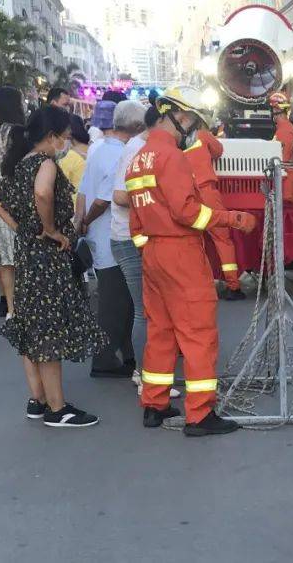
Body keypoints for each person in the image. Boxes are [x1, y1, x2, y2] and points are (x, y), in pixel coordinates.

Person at [127, 87, 256, 436]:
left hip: (153, 253)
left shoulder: (140, 157)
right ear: (180, 117)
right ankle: (199, 415)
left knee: (162, 331)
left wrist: (152, 250)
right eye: (195, 122)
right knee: (198, 333)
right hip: (180, 253)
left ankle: (154, 404)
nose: (196, 130)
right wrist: (230, 220)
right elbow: (187, 212)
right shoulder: (172, 158)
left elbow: (135, 223)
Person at [0, 107, 105, 427]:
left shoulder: (19, 163)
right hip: (46, 259)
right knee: (49, 330)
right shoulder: (45, 163)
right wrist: (50, 230)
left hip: (28, 256)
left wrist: (24, 229)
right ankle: (58, 409)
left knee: (32, 327)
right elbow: (43, 193)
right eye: (64, 136)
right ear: (51, 136)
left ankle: (40, 400)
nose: (66, 141)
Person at [80, 100, 141, 377]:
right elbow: (105, 199)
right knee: (115, 304)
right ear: (137, 127)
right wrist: (87, 220)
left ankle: (125, 353)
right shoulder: (121, 155)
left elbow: (83, 192)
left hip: (98, 235)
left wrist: (80, 221)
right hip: (111, 236)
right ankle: (104, 359)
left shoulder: (98, 148)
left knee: (120, 301)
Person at [111, 106, 163, 395]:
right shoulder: (137, 149)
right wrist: (159, 201)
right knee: (145, 311)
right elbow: (119, 195)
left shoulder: (144, 147)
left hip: (138, 236)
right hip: (129, 239)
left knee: (149, 309)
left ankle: (148, 373)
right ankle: (145, 377)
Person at [179, 95, 244, 301]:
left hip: (186, 194)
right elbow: (219, 150)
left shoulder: (176, 141)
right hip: (207, 192)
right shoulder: (203, 135)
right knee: (222, 239)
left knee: (191, 239)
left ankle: (195, 284)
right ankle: (233, 286)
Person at [0, 86, 25, 320]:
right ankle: (27, 303)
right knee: (23, 254)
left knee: (6, 258)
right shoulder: (17, 131)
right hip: (18, 196)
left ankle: (11, 308)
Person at [270, 92, 293, 202]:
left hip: (286, 180)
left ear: (277, 111)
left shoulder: (284, 131)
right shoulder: (286, 128)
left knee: (284, 215)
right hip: (287, 177)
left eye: (273, 110)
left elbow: (282, 158)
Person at [59, 115, 91, 212]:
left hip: (75, 209)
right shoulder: (94, 149)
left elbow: (61, 189)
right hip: (92, 206)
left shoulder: (69, 158)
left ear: (68, 133)